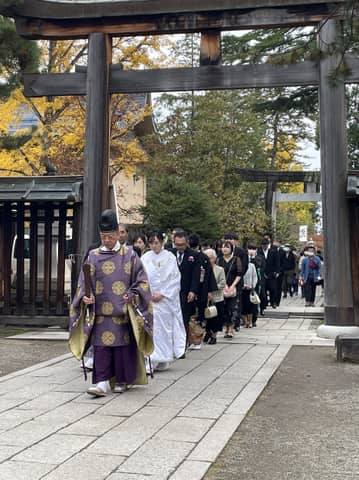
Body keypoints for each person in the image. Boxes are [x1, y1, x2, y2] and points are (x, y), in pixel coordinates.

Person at [69, 209, 153, 397]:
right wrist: (85, 297)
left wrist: (132, 294)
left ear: (117, 234)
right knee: (101, 348)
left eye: (109, 236)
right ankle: (102, 382)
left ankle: (122, 380)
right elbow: (83, 283)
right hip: (99, 311)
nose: (106, 240)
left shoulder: (130, 255)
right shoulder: (93, 256)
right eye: (103, 237)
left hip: (122, 311)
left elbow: (142, 281)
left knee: (122, 348)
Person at [141, 230, 186, 370]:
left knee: (164, 329)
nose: (154, 246)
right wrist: (148, 293)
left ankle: (163, 357)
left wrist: (163, 294)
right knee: (152, 328)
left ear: (162, 242)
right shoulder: (145, 257)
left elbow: (175, 279)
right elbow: (141, 277)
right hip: (150, 298)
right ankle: (151, 358)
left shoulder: (170, 257)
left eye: (156, 243)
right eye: (152, 243)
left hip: (165, 299)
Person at [171, 230, 200, 345]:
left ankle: (182, 344)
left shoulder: (194, 255)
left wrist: (193, 290)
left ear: (187, 242)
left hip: (185, 291)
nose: (179, 247)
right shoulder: (169, 254)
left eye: (182, 245)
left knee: (184, 318)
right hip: (171, 292)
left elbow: (196, 275)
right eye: (177, 245)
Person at [188, 233, 217, 334]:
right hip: (189, 287)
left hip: (202, 287)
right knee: (189, 312)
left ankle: (198, 333)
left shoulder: (203, 257)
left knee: (201, 312)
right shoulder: (187, 256)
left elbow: (209, 274)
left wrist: (209, 290)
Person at [216, 241, 242, 338]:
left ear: (231, 249)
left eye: (227, 247)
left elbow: (239, 274)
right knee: (223, 308)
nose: (224, 249)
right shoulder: (219, 260)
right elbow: (218, 273)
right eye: (223, 247)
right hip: (222, 287)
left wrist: (233, 285)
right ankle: (226, 327)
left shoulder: (236, 259)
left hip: (234, 286)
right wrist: (225, 285)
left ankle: (231, 328)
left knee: (232, 307)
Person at [203, 248, 225, 344]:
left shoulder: (220, 270)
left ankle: (214, 336)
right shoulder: (202, 269)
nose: (209, 260)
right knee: (206, 317)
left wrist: (212, 289)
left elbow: (222, 283)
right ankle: (207, 332)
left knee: (216, 318)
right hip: (205, 298)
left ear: (215, 259)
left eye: (211, 258)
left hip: (217, 298)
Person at [257, 238, 280, 309]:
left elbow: (277, 262)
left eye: (265, 245)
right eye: (263, 245)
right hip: (262, 272)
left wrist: (277, 271)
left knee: (272, 289)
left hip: (271, 272)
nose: (264, 246)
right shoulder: (259, 251)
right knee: (263, 289)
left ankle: (273, 302)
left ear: (268, 245)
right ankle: (264, 303)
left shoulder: (273, 251)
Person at [241, 247, 258, 328]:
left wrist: (253, 285)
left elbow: (255, 277)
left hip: (250, 289)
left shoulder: (252, 266)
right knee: (243, 306)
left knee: (250, 306)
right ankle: (245, 322)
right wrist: (242, 285)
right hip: (242, 288)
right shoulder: (239, 266)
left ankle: (250, 321)